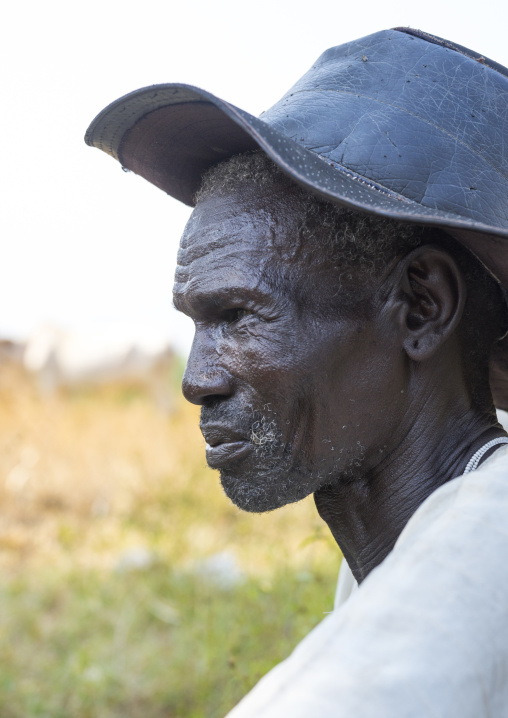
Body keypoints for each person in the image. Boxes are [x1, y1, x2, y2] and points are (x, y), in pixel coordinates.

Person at [86, 27, 508, 717]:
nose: (197, 380)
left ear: (422, 307)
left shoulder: (485, 551)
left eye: (239, 316)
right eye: (196, 323)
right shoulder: (407, 550)